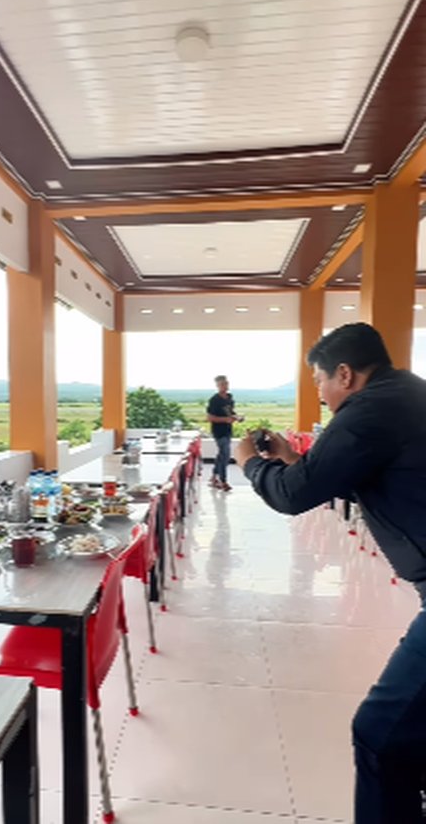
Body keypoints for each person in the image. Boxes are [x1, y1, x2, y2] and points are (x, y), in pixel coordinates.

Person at [235, 323, 426, 824]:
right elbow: (346, 477)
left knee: (380, 733)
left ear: (344, 373)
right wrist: (292, 458)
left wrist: (250, 464)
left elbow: (293, 496)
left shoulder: (367, 411)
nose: (320, 395)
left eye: (320, 381)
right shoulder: (406, 394)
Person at [207, 375, 242, 491]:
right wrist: (226, 420)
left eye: (226, 383)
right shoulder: (214, 400)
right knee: (225, 455)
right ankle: (223, 481)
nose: (225, 386)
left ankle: (213, 477)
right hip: (219, 431)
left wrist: (236, 417)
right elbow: (210, 417)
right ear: (217, 385)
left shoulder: (229, 398)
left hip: (228, 430)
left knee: (222, 455)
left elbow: (230, 412)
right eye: (222, 384)